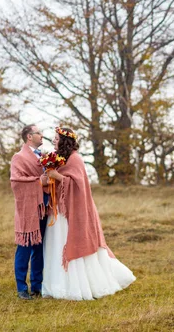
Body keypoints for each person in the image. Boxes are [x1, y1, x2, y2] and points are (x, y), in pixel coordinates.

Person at [42, 127, 135, 300]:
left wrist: (58, 176)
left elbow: (79, 185)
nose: (53, 140)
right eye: (54, 138)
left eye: (56, 138)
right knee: (56, 243)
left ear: (65, 140)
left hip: (71, 211)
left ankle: (79, 284)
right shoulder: (57, 158)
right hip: (58, 209)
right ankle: (57, 284)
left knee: (68, 241)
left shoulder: (75, 159)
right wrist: (49, 178)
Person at [10, 124, 50, 300]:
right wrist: (38, 182)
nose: (42, 135)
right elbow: (16, 181)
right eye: (38, 133)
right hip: (28, 210)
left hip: (43, 207)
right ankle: (21, 288)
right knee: (24, 248)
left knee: (39, 248)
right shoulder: (18, 158)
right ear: (29, 136)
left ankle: (37, 286)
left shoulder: (44, 156)